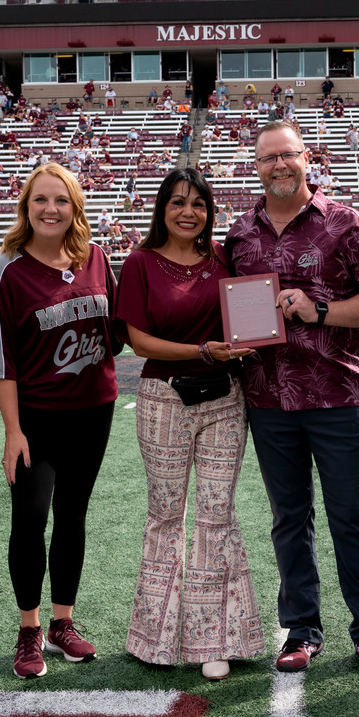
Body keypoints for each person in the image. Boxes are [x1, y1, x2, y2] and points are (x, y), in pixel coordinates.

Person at [225, 121, 359, 678]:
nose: (279, 165)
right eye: (268, 158)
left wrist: (319, 310)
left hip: (338, 393)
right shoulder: (240, 233)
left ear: (307, 158)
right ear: (256, 166)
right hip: (268, 397)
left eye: (288, 156)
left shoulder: (346, 223)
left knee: (353, 516)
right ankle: (301, 629)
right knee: (288, 518)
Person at [118, 169, 265, 681]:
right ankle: (154, 638)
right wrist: (202, 350)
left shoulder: (225, 258)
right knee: (165, 515)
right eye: (178, 202)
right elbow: (138, 343)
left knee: (215, 514)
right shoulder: (139, 264)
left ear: (210, 212)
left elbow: (251, 315)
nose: (188, 212)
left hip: (225, 398)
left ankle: (214, 639)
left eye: (199, 204)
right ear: (162, 209)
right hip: (163, 399)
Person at [0, 163, 118, 679]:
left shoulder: (96, 257)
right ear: (26, 206)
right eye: (40, 200)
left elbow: (116, 331)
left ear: (75, 206)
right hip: (35, 417)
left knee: (73, 516)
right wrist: (12, 430)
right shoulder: (5, 269)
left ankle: (63, 622)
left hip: (94, 411)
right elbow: (1, 359)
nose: (51, 209)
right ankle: (29, 628)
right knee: (31, 518)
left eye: (61, 199)